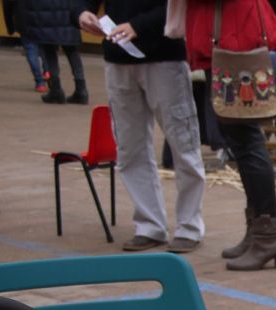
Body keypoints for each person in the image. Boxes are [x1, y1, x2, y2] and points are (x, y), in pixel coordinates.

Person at [79, 0, 205, 253]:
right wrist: (82, 12)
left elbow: (179, 5)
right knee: (130, 149)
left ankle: (189, 227)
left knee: (184, 145)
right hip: (118, 57)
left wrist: (138, 26)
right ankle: (149, 226)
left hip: (164, 56)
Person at [180, 0, 276, 270]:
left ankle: (268, 235)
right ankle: (258, 230)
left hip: (235, 37)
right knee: (240, 140)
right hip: (229, 35)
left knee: (247, 140)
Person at [26, 0, 87, 103]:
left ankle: (56, 89)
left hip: (47, 16)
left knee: (49, 51)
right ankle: (81, 89)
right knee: (72, 51)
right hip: (69, 13)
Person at [2, 0, 49, 92]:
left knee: (31, 50)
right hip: (42, 20)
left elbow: (7, 8)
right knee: (44, 48)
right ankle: (47, 71)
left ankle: (40, 82)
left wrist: (10, 27)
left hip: (24, 22)